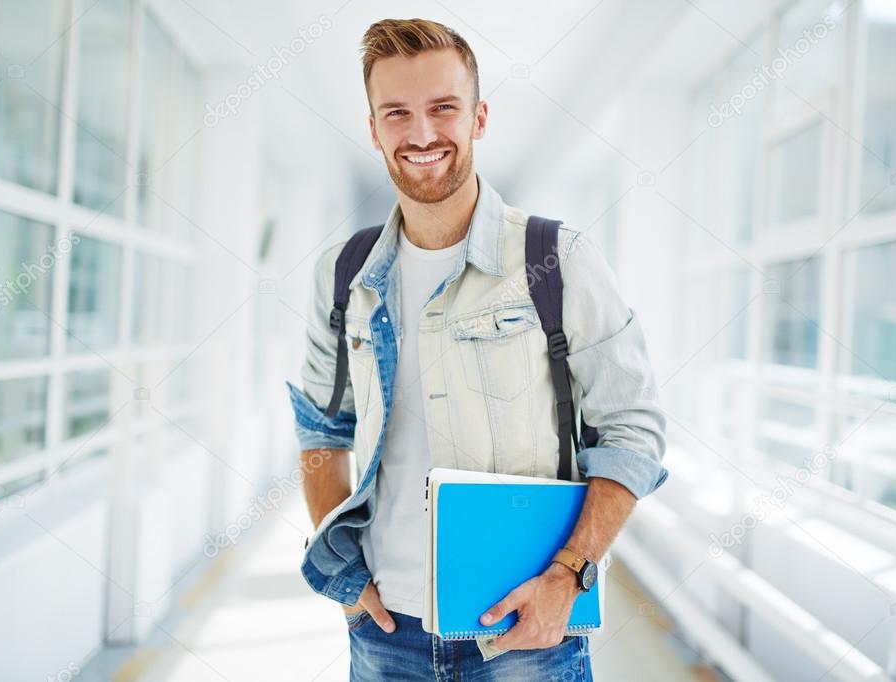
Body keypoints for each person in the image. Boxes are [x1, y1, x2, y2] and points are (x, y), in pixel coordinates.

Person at [286, 17, 668, 680]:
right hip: (384, 631)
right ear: (374, 128)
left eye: (443, 108)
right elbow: (322, 427)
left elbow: (633, 429)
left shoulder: (558, 259)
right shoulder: (342, 274)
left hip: (526, 629)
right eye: (397, 113)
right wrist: (349, 586)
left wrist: (568, 575)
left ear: (479, 117)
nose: (422, 133)